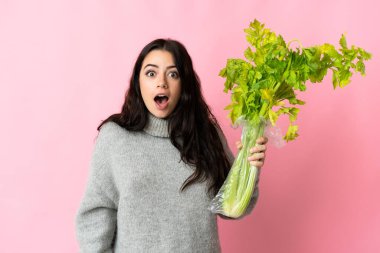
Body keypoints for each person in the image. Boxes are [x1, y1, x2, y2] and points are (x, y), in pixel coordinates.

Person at [75, 38, 268, 253]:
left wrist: (250, 166)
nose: (162, 83)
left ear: (184, 85)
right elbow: (96, 215)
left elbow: (232, 209)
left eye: (173, 74)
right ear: (138, 82)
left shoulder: (206, 134)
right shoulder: (115, 138)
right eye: (151, 73)